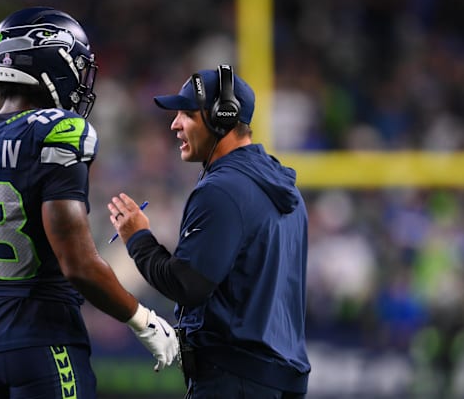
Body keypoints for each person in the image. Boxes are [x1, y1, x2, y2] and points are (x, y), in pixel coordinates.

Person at [0, 7, 178, 399]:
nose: (81, 79)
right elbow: (79, 265)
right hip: (43, 338)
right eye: (76, 65)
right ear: (50, 63)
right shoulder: (56, 133)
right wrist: (143, 320)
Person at [107, 65, 311, 398]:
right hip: (276, 379)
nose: (174, 124)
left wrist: (137, 238)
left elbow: (187, 285)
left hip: (234, 379)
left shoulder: (224, 189)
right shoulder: (279, 184)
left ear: (222, 117)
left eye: (187, 113)